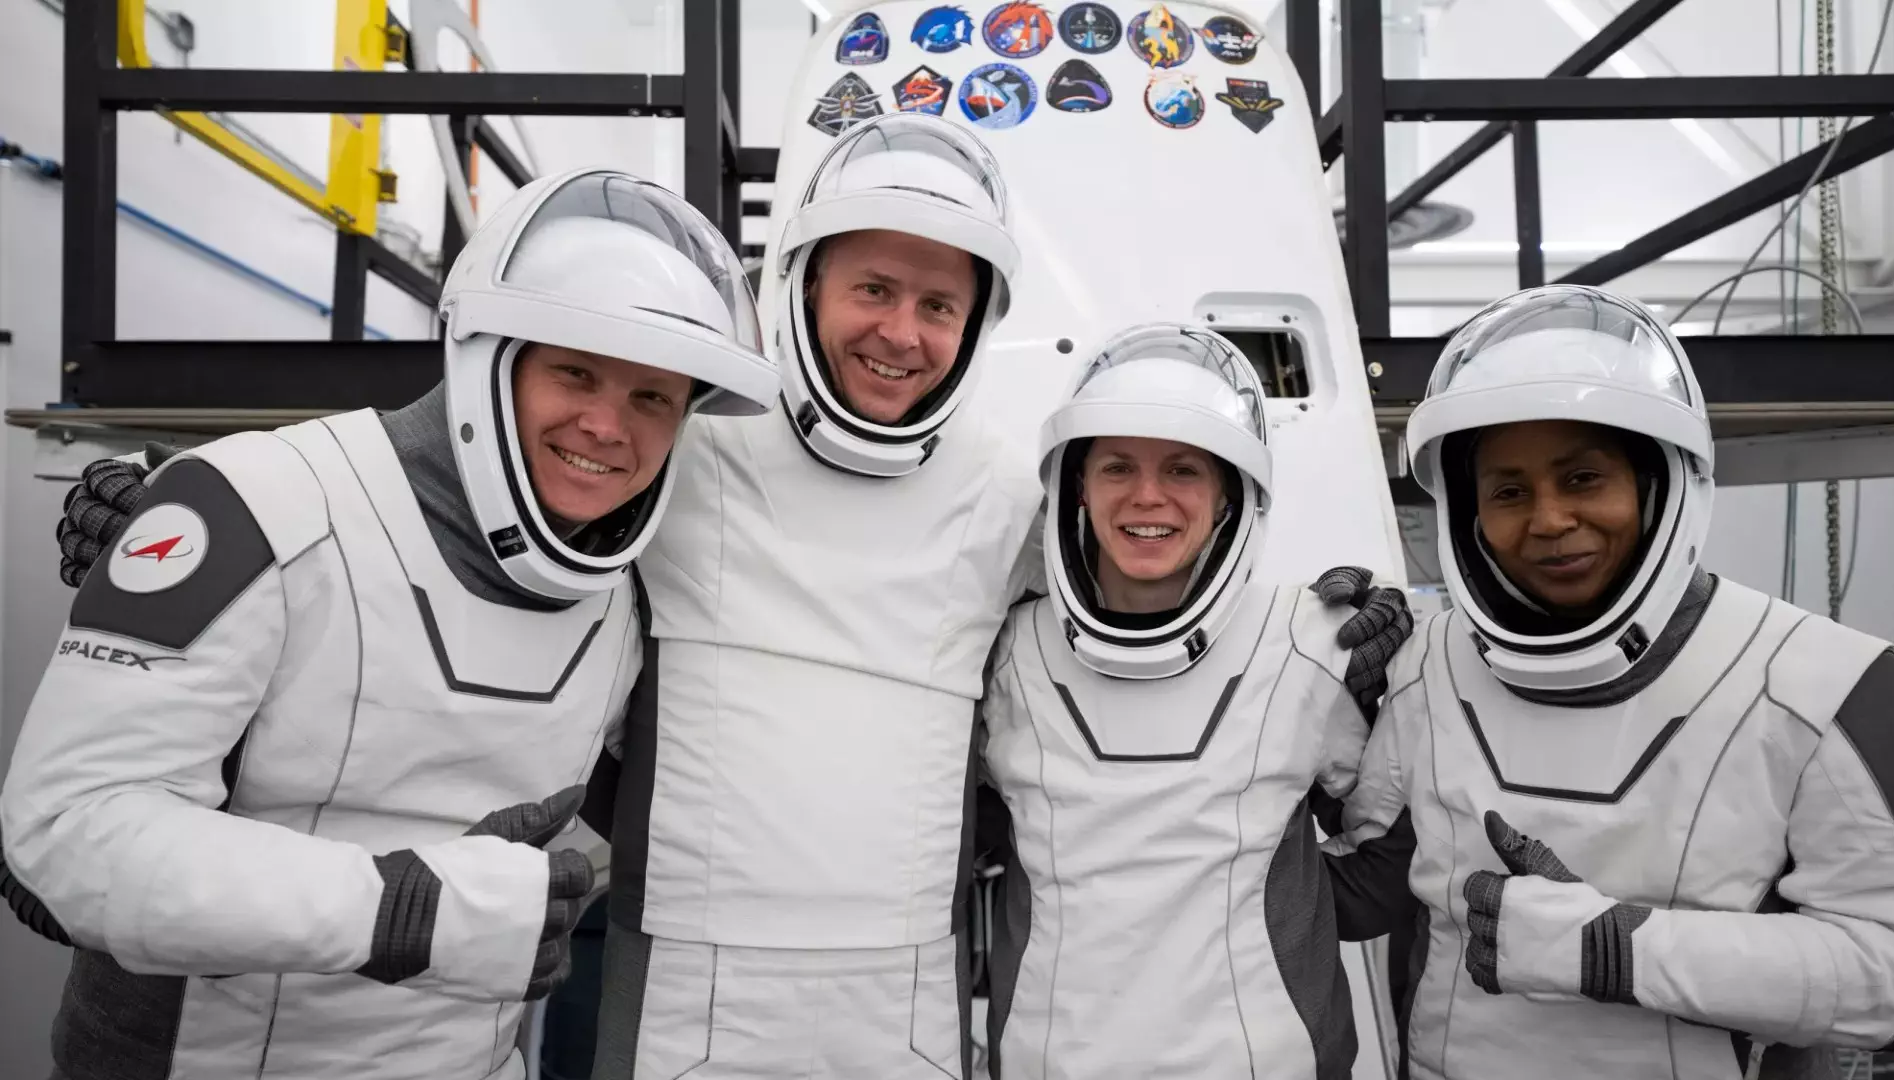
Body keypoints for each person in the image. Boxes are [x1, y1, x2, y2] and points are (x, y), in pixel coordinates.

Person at [39, 114, 1412, 1078]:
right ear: (800, 283)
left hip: (906, 991)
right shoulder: (673, 452)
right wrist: (188, 510)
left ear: (975, 329)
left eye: (939, 305)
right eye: (874, 284)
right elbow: (465, 488)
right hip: (673, 980)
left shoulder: (1010, 497)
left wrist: (1331, 626)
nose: (901, 330)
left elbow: (1147, 582)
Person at [0, 167, 780, 1080]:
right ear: (488, 356)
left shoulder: (627, 596)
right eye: (575, 370)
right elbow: (67, 833)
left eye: (654, 397)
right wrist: (401, 909)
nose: (609, 425)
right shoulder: (260, 510)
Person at [1327, 284, 1894, 1080]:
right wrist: (1304, 727)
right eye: (1507, 492)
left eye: (1582, 479)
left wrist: (1616, 950)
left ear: (1658, 483)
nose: (1546, 520)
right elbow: (1367, 895)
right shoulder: (1427, 666)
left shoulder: (1826, 682)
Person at [978, 323, 1417, 1079]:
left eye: (1183, 470)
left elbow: (1385, 875)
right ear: (1078, 485)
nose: (1148, 497)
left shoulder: (1311, 642)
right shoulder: (1007, 654)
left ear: (1228, 496)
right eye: (1118, 466)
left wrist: (1387, 693)